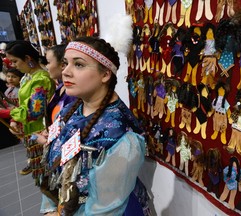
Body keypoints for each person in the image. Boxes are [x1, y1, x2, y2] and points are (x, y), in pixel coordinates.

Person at [40, 37, 148, 216]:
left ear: (105, 74)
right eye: (65, 63)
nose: (65, 72)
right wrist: (50, 207)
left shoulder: (121, 137)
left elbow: (105, 209)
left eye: (79, 65)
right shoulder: (69, 110)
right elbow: (55, 167)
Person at [5, 40, 55, 175]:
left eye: (15, 61)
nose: (14, 65)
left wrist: (7, 113)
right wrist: (14, 120)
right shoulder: (27, 76)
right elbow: (24, 103)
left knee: (46, 174)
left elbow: (35, 111)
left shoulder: (41, 79)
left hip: (41, 132)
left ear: (27, 58)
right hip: (32, 131)